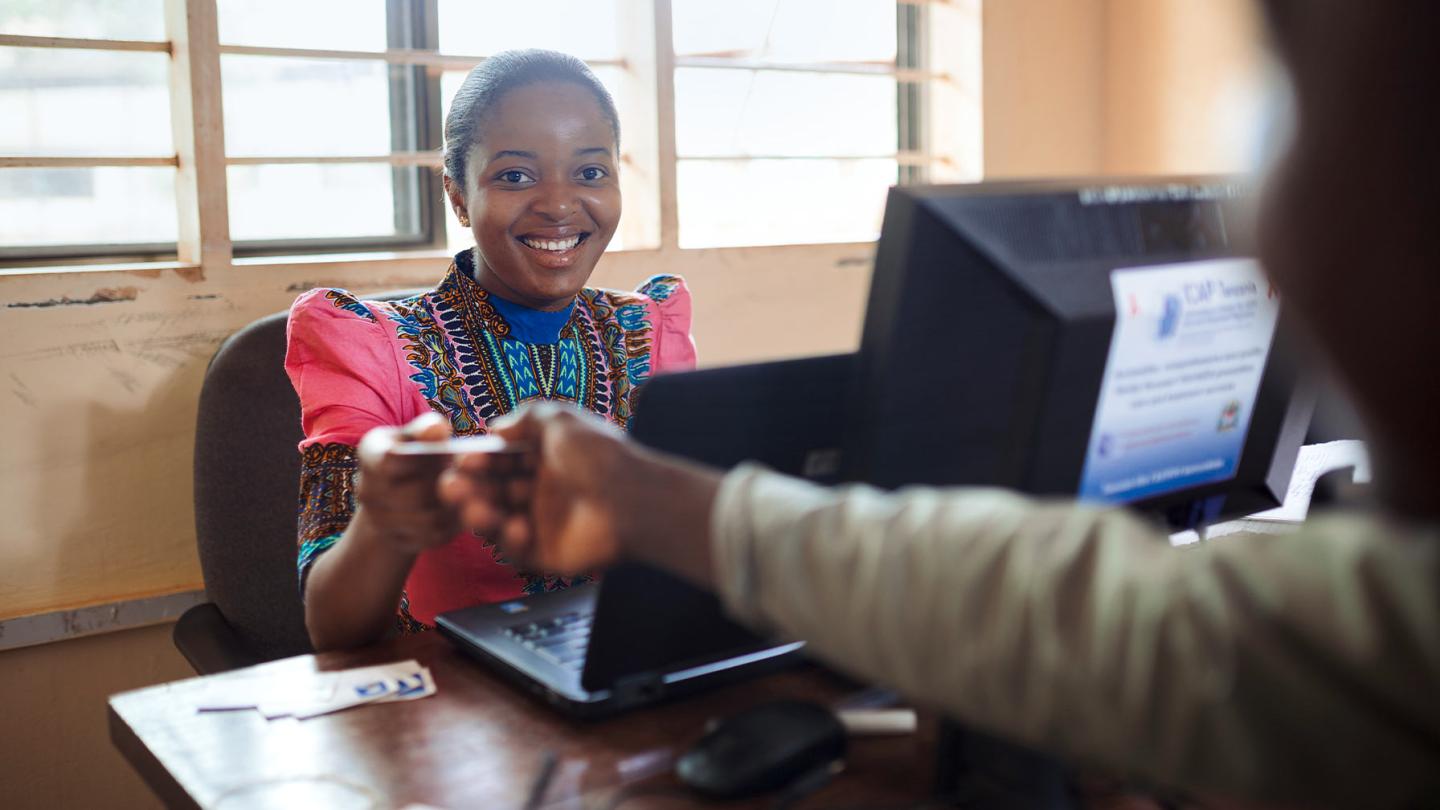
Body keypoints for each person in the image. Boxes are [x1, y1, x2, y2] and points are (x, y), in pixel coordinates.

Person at [433, 3, 1439, 808]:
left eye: (1299, 106)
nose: (1264, 230)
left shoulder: (643, 324)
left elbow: (1117, 623)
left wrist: (654, 502)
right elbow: (1125, 622)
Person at [284, 49, 696, 651]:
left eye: (589, 173)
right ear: (457, 195)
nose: (559, 205)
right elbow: (333, 627)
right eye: (514, 176)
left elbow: (685, 550)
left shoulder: (650, 326)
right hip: (452, 707)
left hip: (620, 675)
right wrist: (384, 523)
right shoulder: (365, 343)